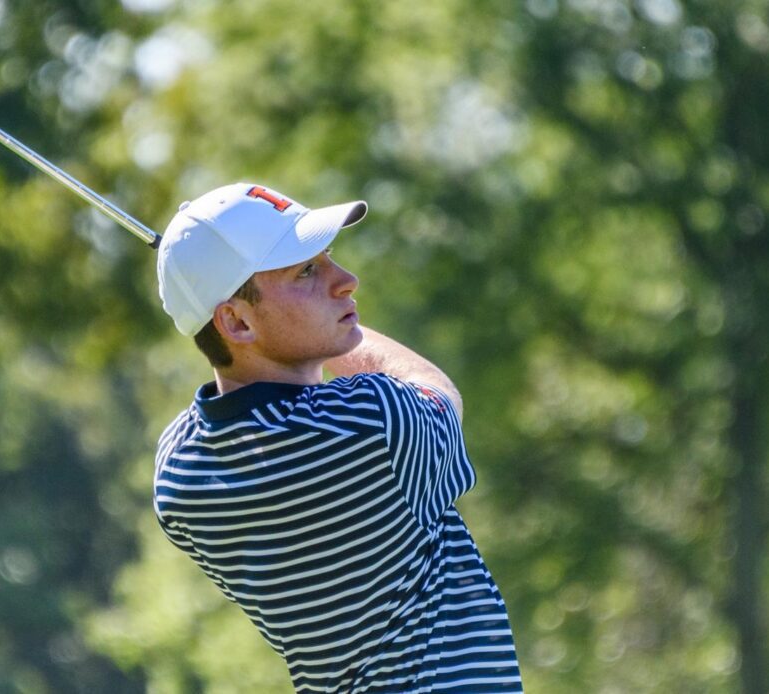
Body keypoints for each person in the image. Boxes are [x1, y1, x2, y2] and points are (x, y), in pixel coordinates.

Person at [152, 182, 523, 693]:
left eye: (327, 259)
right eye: (307, 271)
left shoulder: (180, 477)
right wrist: (343, 329)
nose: (347, 280)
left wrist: (211, 297)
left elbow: (219, 397)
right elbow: (437, 391)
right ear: (236, 320)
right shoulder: (376, 422)